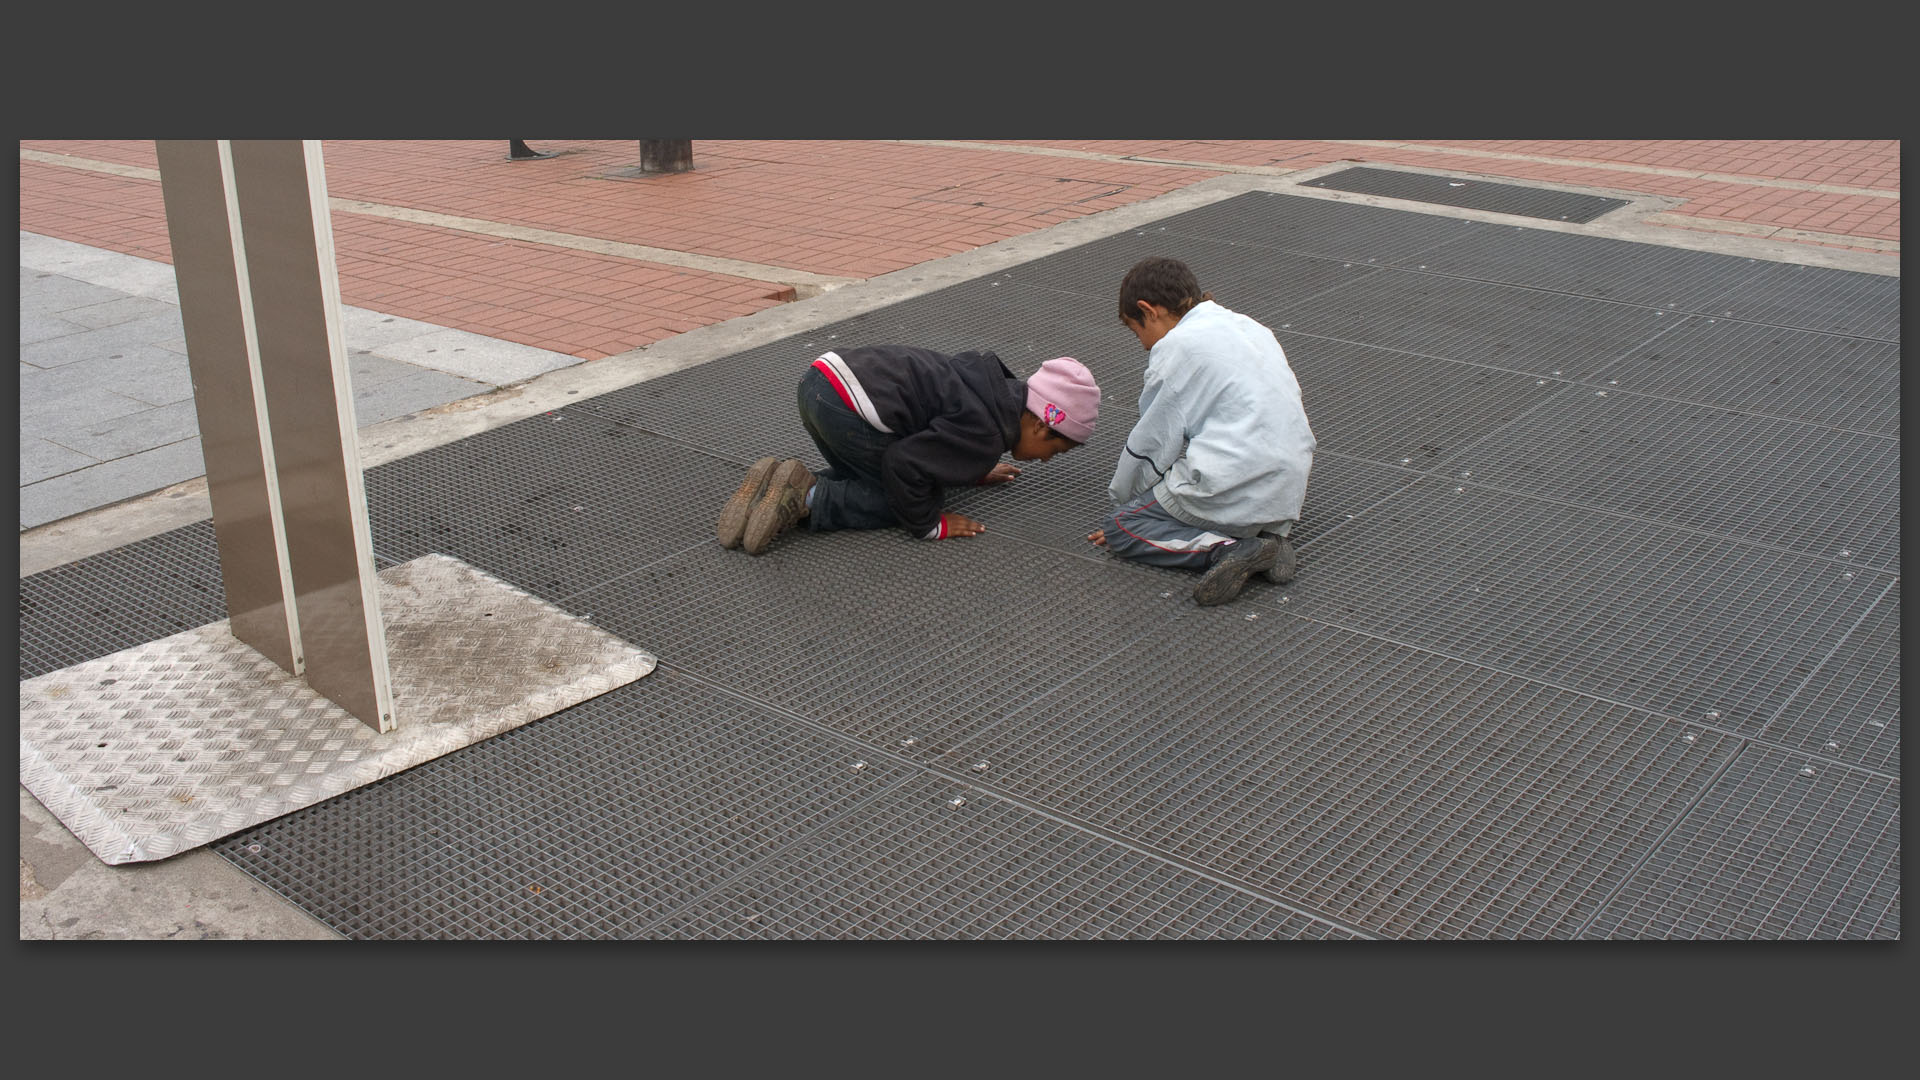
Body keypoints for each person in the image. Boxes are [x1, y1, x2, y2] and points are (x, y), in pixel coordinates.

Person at [718, 346, 1101, 555]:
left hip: (820, 382)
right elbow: (904, 463)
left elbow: (944, 435)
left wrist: (970, 468)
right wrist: (929, 524)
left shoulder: (990, 390)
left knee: (876, 475)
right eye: (1056, 450)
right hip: (848, 410)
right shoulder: (984, 435)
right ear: (1040, 423)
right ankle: (808, 496)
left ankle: (774, 485)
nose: (1047, 459)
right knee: (903, 497)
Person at [1088, 256, 1315, 606]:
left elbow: (1152, 445)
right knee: (1211, 477)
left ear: (1150, 311)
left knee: (1123, 528)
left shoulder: (1176, 348)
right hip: (1289, 486)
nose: (1144, 345)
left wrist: (1129, 505)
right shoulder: (1249, 326)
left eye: (1138, 332)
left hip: (1233, 476)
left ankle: (1231, 550)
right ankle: (1268, 539)